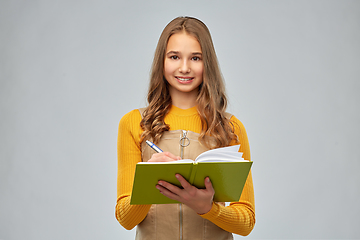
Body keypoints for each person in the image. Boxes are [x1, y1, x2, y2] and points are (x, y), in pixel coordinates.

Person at [115, 16, 255, 240]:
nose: (184, 68)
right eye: (174, 57)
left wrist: (207, 208)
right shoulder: (133, 123)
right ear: (162, 61)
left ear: (207, 62)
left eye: (196, 58)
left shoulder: (231, 128)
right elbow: (125, 219)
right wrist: (149, 179)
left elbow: (246, 222)